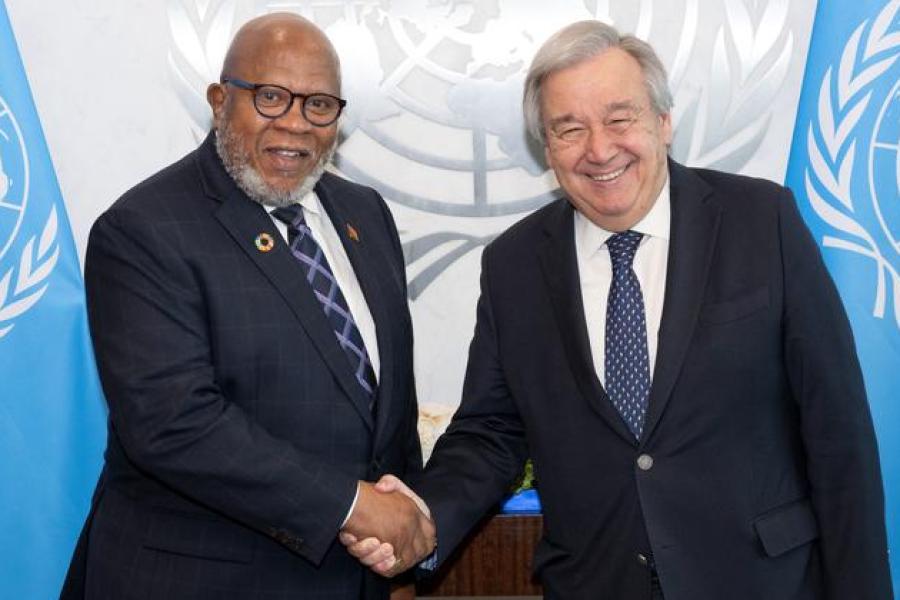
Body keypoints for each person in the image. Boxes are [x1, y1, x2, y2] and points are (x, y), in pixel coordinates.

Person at [344, 19, 893, 600]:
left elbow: (839, 435)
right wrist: (427, 518)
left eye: (619, 118)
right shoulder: (514, 265)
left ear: (662, 121)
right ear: (546, 147)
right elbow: (492, 432)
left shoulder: (763, 221)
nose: (599, 149)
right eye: (569, 128)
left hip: (763, 582)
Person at [60, 13, 433, 600]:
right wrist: (351, 506)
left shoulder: (366, 215)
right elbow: (174, 424)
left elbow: (384, 402)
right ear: (218, 100)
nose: (294, 124)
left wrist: (401, 560)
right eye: (270, 97)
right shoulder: (144, 229)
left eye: (318, 105)